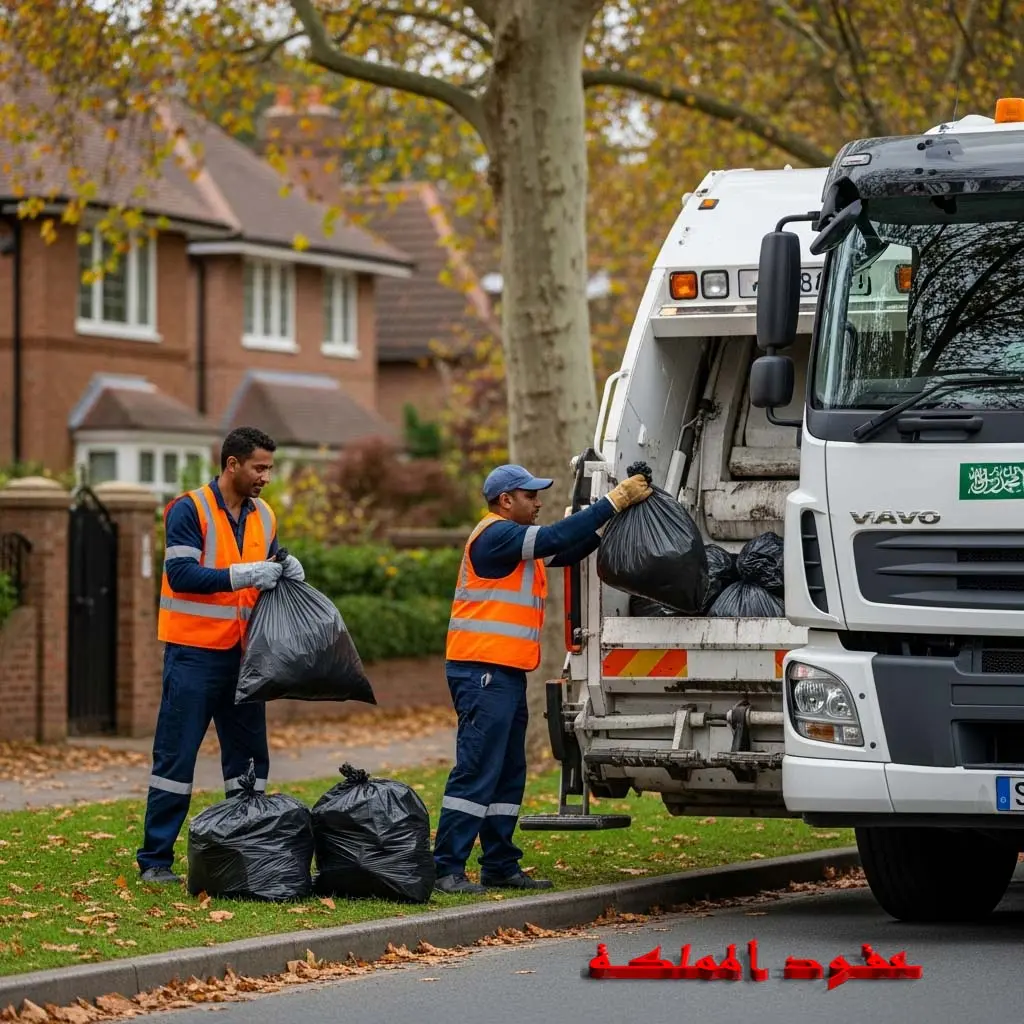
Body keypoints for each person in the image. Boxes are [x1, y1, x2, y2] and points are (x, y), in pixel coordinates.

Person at [433, 463, 653, 894]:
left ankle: (499, 864)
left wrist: (613, 518)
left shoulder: (513, 544)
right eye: (531, 496)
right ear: (505, 501)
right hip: (481, 672)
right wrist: (615, 500)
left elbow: (568, 547)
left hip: (502, 673)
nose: (539, 503)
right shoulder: (496, 535)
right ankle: (446, 868)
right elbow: (555, 538)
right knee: (478, 768)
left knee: (508, 771)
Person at [136, 426, 304, 883]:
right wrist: (247, 573)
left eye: (269, 467)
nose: (266, 476)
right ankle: (155, 861)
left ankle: (246, 850)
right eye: (259, 467)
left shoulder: (264, 514)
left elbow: (267, 565)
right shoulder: (189, 509)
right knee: (176, 758)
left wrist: (284, 567)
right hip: (193, 655)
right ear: (233, 464)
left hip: (246, 657)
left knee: (250, 760)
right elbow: (182, 574)